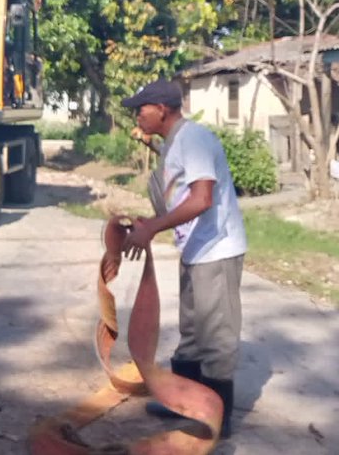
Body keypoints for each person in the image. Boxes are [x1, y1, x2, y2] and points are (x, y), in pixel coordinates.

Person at [119, 79, 247, 438]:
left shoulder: (192, 139)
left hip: (216, 251)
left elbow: (202, 199)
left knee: (216, 338)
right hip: (195, 249)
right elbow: (179, 201)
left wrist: (154, 228)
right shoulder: (172, 145)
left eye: (141, 109)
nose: (137, 116)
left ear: (162, 109)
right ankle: (181, 404)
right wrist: (149, 223)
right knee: (191, 333)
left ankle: (216, 420)